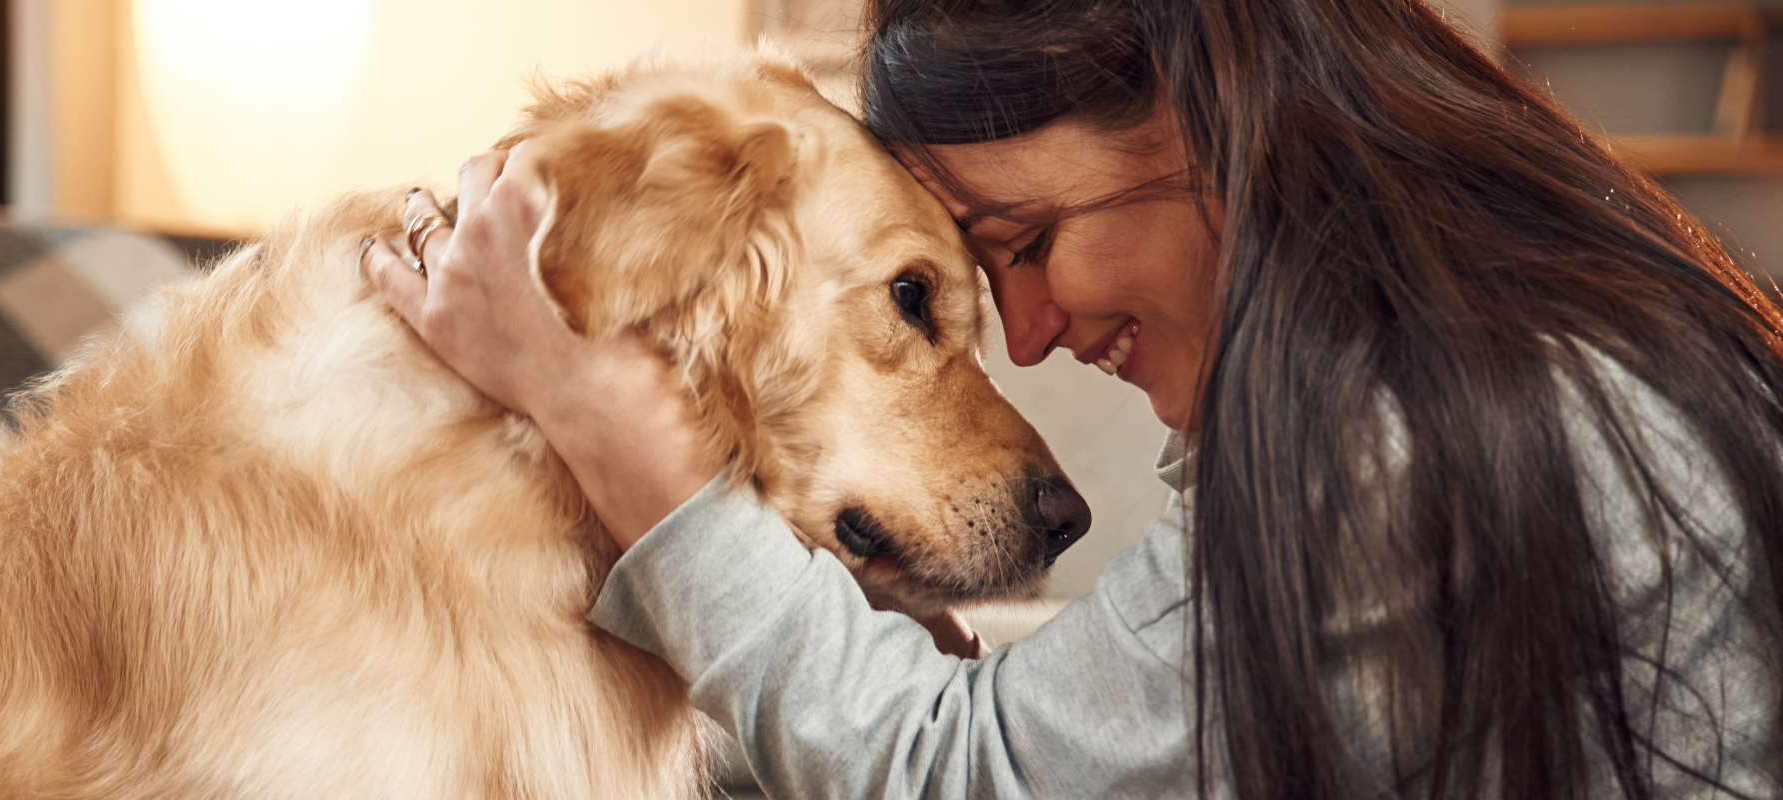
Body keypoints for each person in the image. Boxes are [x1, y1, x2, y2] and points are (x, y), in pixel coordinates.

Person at [363, 0, 1783, 796]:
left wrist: (608, 421)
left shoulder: (1412, 435)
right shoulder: (1488, 343)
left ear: (1204, 113)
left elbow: (960, 780)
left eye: (1024, 248)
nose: (1029, 339)